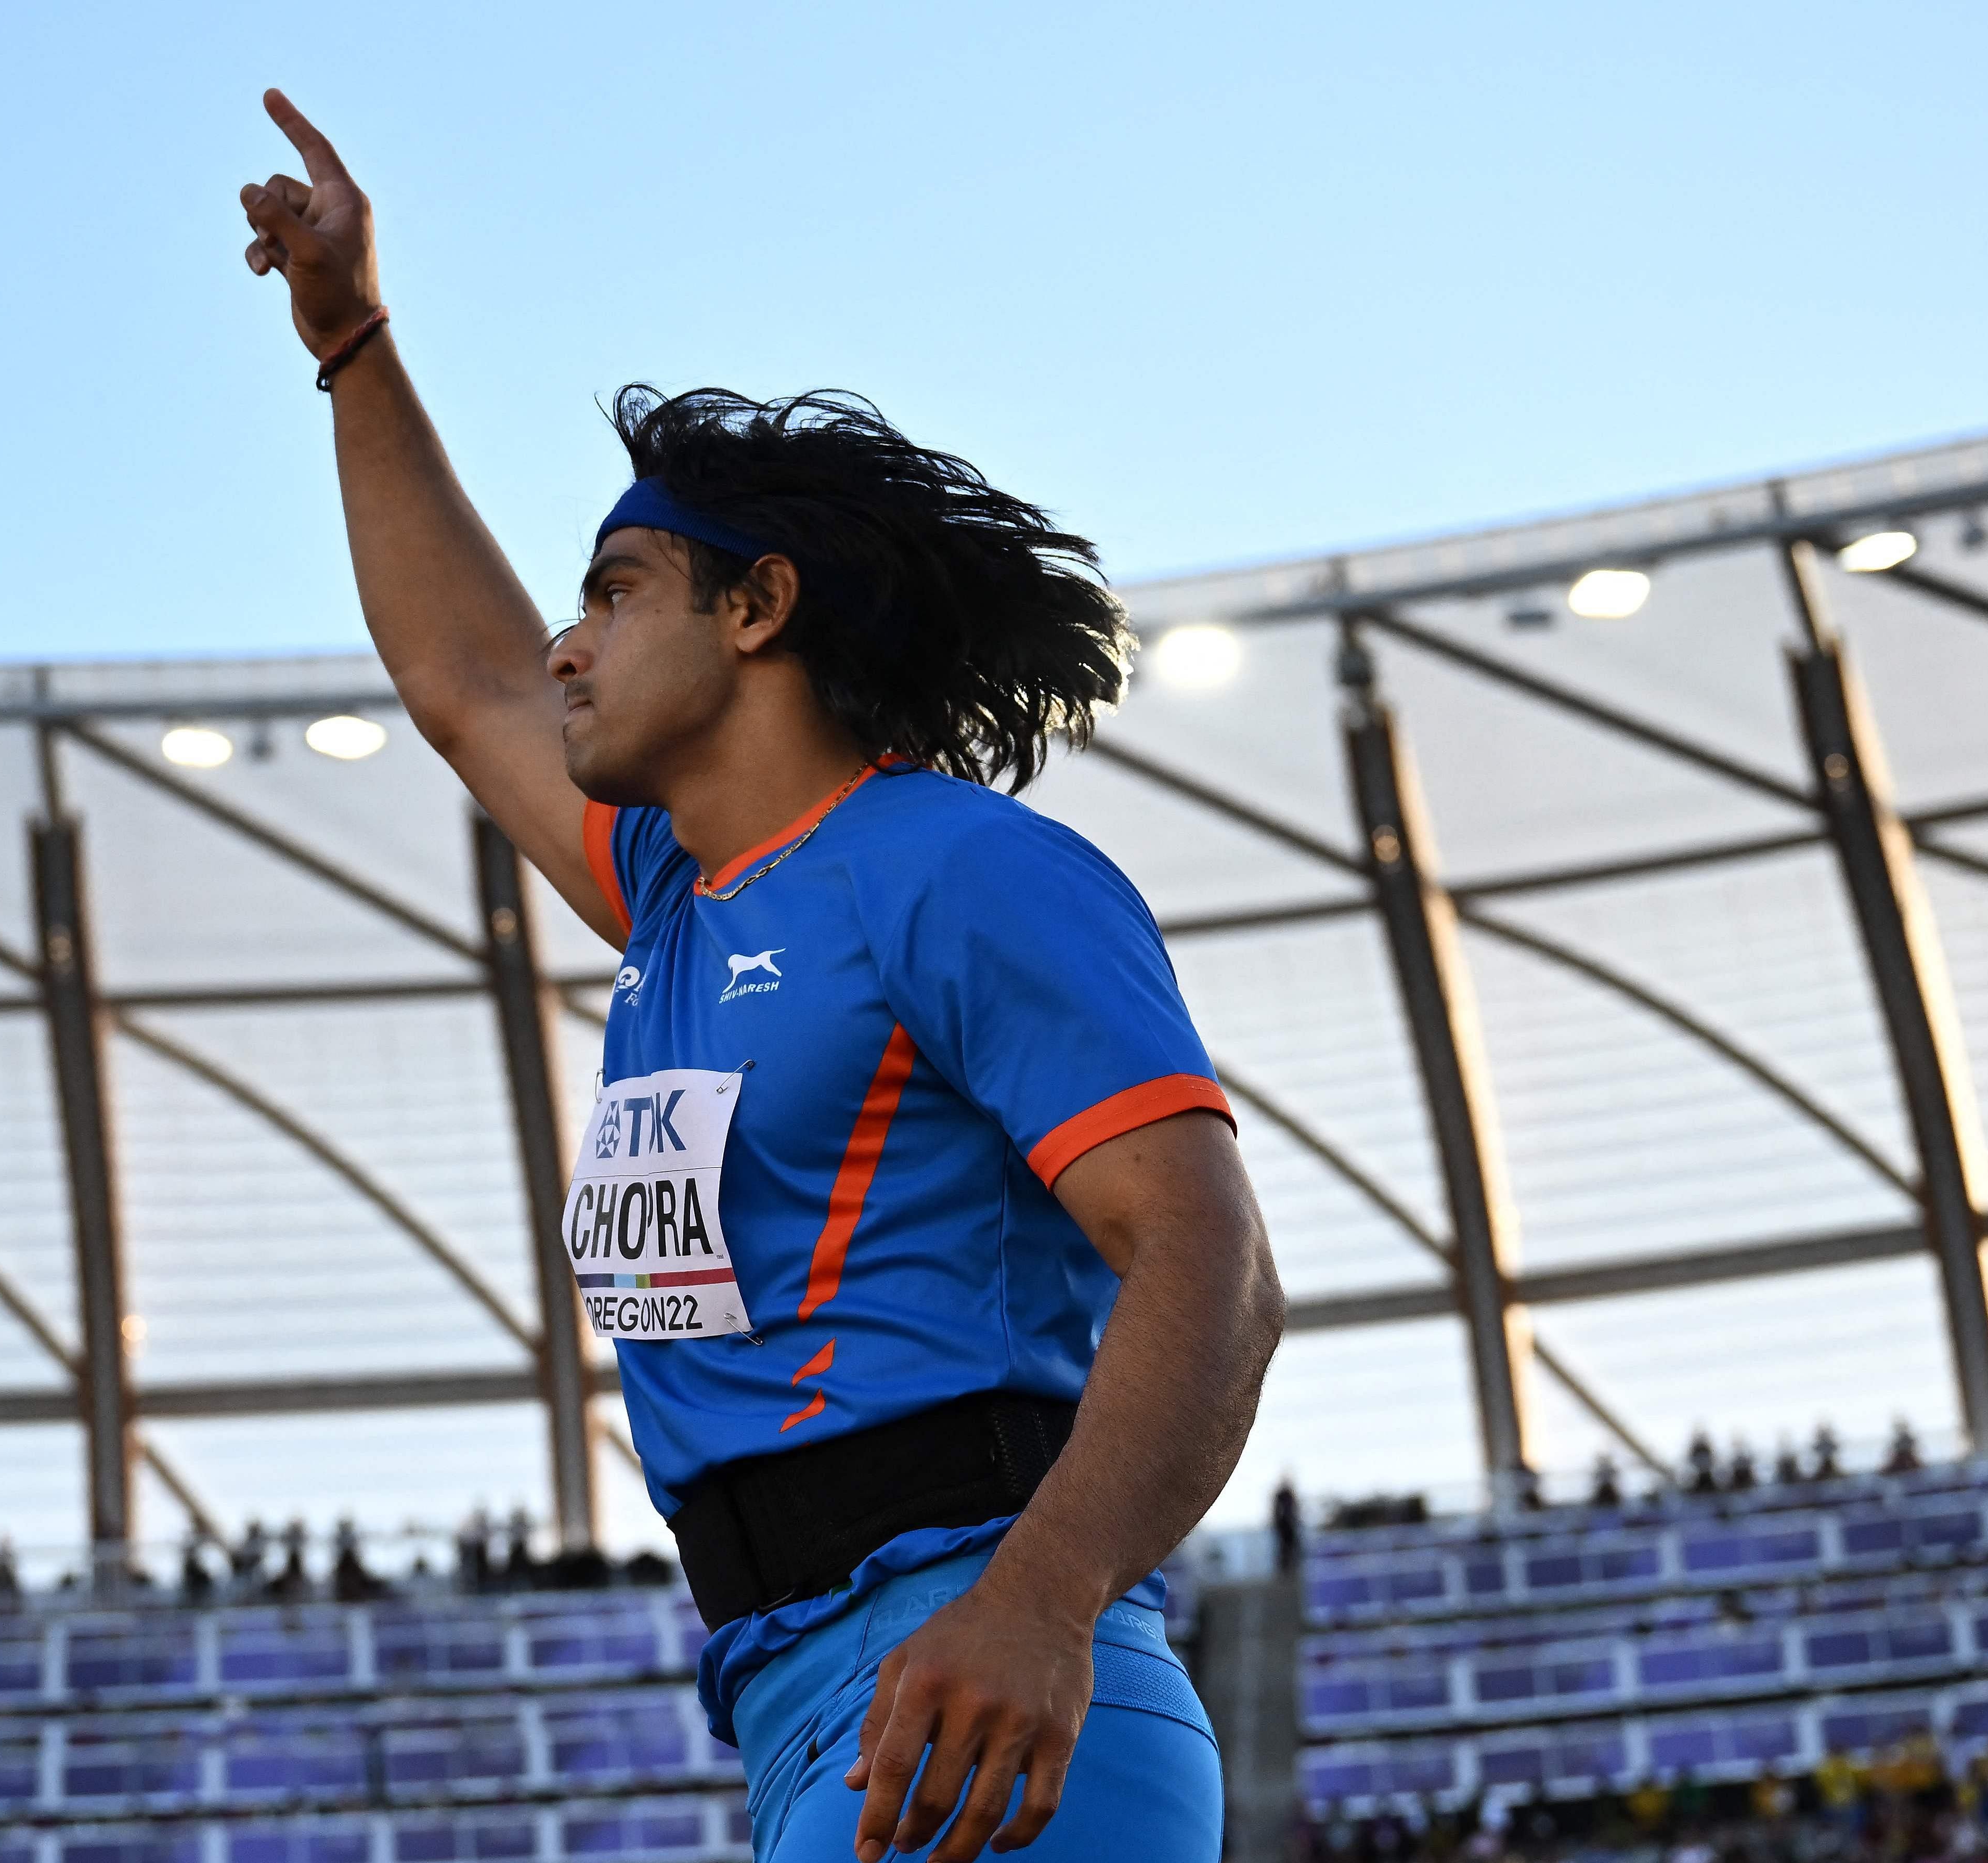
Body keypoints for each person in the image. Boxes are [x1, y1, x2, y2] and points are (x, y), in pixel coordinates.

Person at [237, 90, 1284, 1863]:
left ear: (756, 610)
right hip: (793, 1699)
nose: (566, 644)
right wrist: (351, 348)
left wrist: (1043, 1598)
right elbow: (462, 682)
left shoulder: (953, 867)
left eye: (615, 592)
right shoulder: (676, 899)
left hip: (988, 1674)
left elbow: (1214, 1263)